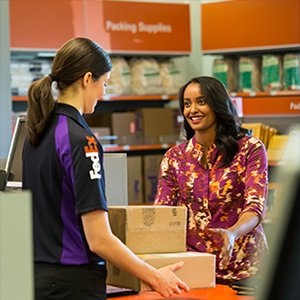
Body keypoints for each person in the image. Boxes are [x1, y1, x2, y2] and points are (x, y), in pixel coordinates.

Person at [22, 37, 189, 300]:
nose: (103, 94)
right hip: (73, 285)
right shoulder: (82, 141)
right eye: (105, 84)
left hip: (37, 280)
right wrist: (156, 276)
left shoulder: (36, 133)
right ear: (87, 79)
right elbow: (99, 239)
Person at [154, 76, 268, 285]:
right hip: (194, 270)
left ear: (218, 105)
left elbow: (255, 207)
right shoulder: (174, 158)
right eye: (187, 104)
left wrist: (232, 233)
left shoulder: (250, 148)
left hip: (246, 270)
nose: (192, 110)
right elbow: (162, 213)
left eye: (202, 101)